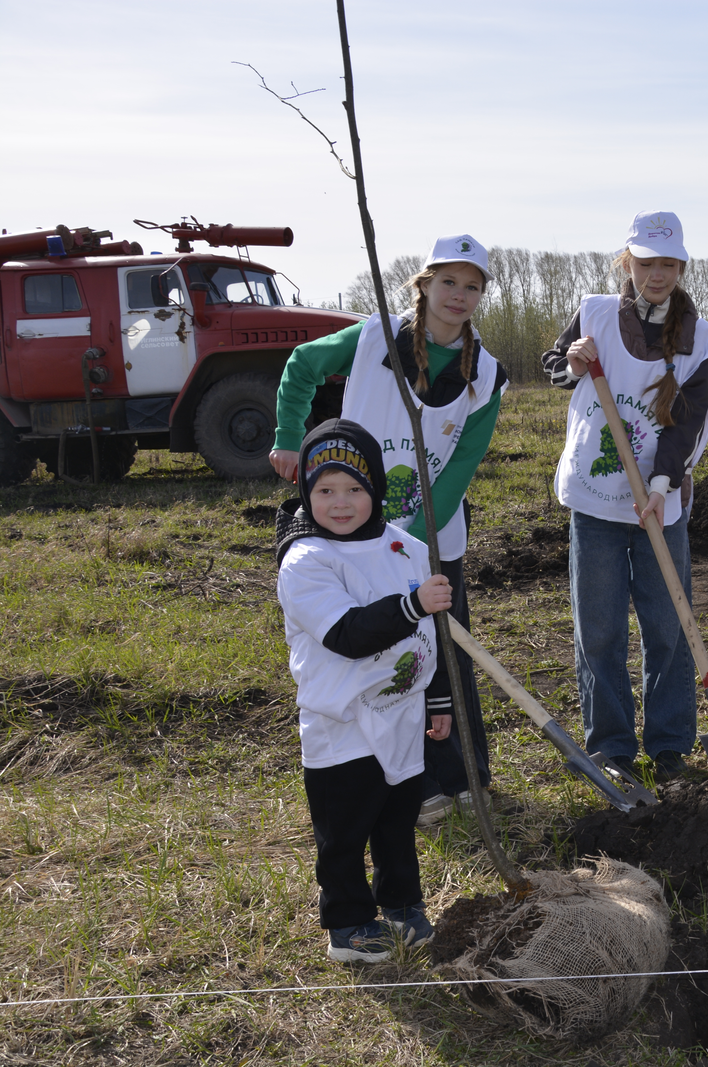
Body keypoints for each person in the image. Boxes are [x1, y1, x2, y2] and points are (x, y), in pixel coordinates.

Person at [271, 235, 508, 827]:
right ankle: (411, 781)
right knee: (385, 653)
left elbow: (461, 464)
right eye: (448, 281)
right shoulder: (374, 336)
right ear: (424, 284)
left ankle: (465, 774)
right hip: (351, 533)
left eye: (472, 286)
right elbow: (302, 365)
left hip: (431, 537)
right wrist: (288, 437)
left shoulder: (487, 374)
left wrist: (411, 543)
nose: (459, 295)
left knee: (444, 648)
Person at [540, 211, 708, 784]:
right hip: (595, 502)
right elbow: (555, 368)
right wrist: (572, 362)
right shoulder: (595, 313)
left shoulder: (702, 342)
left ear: (681, 268)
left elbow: (687, 427)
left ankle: (670, 747)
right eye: (647, 263)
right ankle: (611, 748)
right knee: (599, 629)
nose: (657, 274)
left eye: (669, 264)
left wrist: (659, 487)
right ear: (628, 263)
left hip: (661, 502)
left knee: (668, 625)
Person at [275, 419, 454, 962]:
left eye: (354, 488)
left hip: (402, 713)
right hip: (343, 723)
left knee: (397, 820)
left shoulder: (405, 546)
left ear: (375, 487)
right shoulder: (305, 561)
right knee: (345, 829)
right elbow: (348, 635)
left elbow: (434, 631)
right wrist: (413, 604)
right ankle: (348, 922)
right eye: (325, 490)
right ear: (306, 493)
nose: (341, 502)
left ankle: (401, 903)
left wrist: (438, 696)